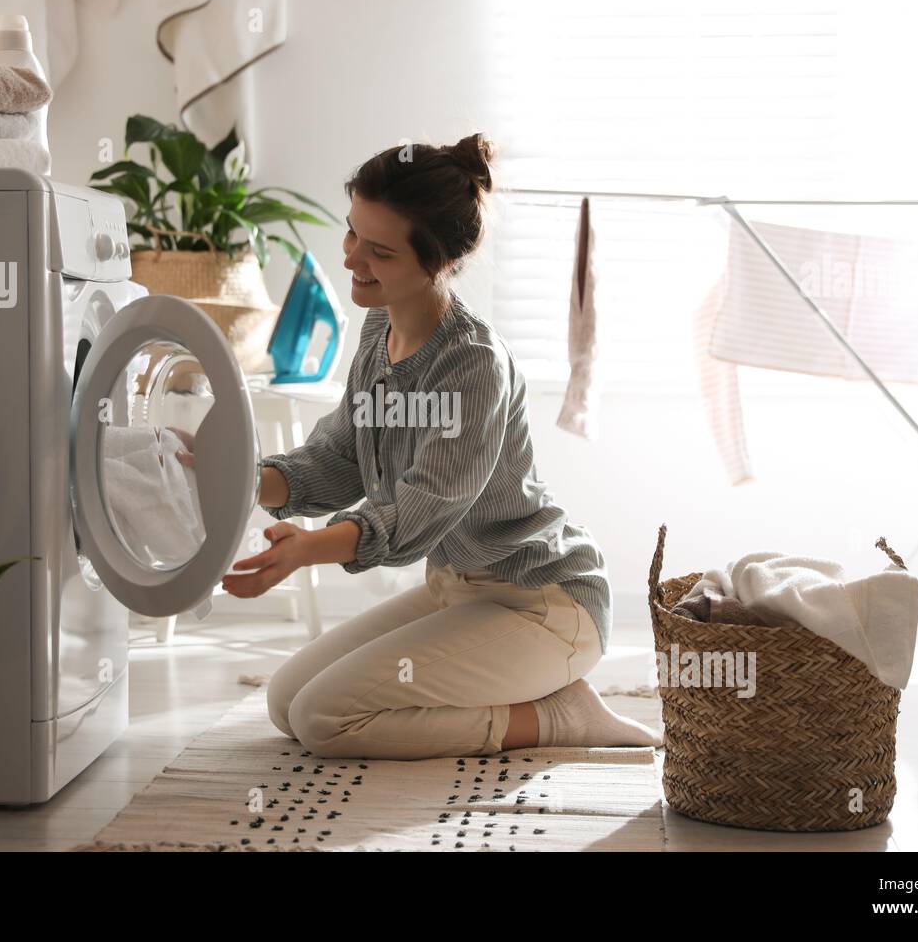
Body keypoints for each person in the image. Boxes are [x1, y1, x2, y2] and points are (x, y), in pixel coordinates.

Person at [215, 133, 662, 759]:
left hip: (544, 605)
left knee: (324, 719)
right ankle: (527, 698)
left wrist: (310, 547)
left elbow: (424, 507)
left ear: (439, 261)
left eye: (380, 251)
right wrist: (232, 475)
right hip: (458, 589)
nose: (352, 260)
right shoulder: (378, 327)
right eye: (351, 234)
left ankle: (559, 715)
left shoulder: (473, 363)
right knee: (287, 701)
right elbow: (339, 459)